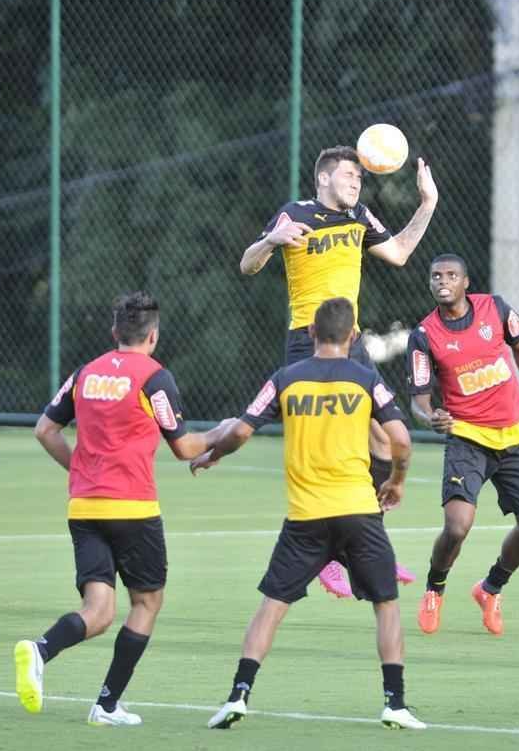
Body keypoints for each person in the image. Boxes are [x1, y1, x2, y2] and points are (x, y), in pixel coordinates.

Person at [191, 297, 425, 731]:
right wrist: (397, 480)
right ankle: (395, 703)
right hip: (359, 511)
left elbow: (240, 430)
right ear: (352, 336)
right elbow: (401, 440)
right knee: (386, 604)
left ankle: (238, 695)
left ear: (312, 333)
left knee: (272, 606)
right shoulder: (366, 378)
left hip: (305, 517)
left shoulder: (285, 378)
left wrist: (214, 454)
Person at [240, 145, 438, 597]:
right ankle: (329, 554)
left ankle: (364, 546)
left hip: (352, 343)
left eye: (359, 178)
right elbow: (247, 264)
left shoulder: (360, 217)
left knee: (383, 440)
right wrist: (272, 240)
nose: (356, 183)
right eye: (349, 175)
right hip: (307, 342)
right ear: (324, 178)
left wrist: (428, 203)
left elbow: (400, 253)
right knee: (323, 449)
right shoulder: (295, 213)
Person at [17, 291, 221, 725]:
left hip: (84, 508)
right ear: (153, 336)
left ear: (115, 332)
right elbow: (185, 447)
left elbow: (45, 429)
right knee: (146, 603)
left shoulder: (85, 373)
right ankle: (106, 704)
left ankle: (40, 650)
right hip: (132, 509)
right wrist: (221, 433)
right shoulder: (154, 377)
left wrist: (79, 470)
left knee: (99, 611)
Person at [405, 254, 519, 637]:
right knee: (457, 527)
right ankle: (434, 589)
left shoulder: (496, 308)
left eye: (451, 275)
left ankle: (491, 588)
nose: (443, 281)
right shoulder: (424, 335)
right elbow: (418, 399)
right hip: (467, 438)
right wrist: (430, 416)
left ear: (465, 283)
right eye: (436, 276)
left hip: (515, 434)